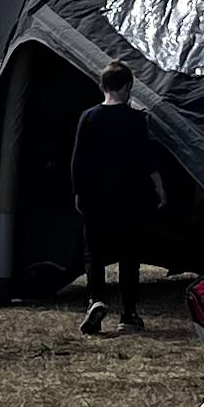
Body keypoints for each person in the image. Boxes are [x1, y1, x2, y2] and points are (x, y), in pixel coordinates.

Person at [69, 60, 166, 333]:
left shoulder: (88, 117)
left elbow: (78, 160)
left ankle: (95, 300)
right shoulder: (137, 119)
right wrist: (159, 187)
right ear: (129, 87)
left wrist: (79, 191)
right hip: (130, 197)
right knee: (129, 255)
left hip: (95, 197)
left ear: (102, 87)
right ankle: (129, 315)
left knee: (94, 254)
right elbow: (148, 158)